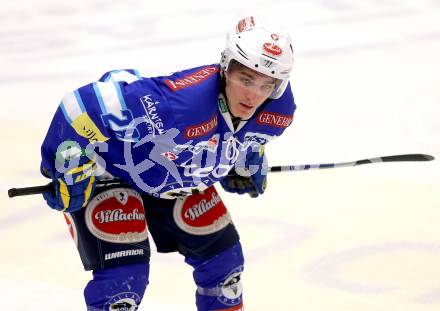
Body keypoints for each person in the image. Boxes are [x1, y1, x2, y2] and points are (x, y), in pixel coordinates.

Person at [40, 16, 296, 311]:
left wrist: (245, 161)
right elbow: (79, 107)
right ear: (225, 68)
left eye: (267, 85)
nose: (254, 95)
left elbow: (248, 137)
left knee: (225, 269)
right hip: (110, 172)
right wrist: (67, 168)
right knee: (122, 285)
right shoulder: (179, 105)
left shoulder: (278, 109)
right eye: (246, 79)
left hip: (176, 175)